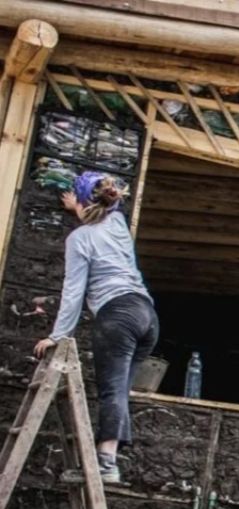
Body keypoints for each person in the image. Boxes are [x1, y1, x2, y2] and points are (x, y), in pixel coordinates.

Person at [35, 171, 158, 484]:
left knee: (111, 390)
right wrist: (79, 206)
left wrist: (57, 335)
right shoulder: (117, 224)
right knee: (121, 391)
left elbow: (73, 292)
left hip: (116, 314)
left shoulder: (79, 239)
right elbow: (106, 210)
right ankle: (111, 458)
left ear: (80, 201)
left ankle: (105, 464)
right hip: (147, 315)